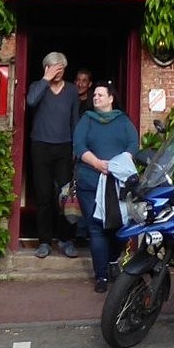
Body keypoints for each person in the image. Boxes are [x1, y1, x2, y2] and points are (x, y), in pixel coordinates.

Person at [72, 82, 139, 292]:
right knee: (96, 227)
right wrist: (97, 164)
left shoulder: (123, 120)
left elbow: (133, 144)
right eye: (95, 96)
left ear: (111, 98)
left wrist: (118, 164)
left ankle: (112, 262)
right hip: (90, 179)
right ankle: (101, 276)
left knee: (121, 225)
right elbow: (79, 145)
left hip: (117, 181)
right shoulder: (87, 120)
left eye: (101, 95)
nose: (96, 98)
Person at [25, 51, 79, 258]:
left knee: (66, 196)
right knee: (43, 195)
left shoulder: (72, 90)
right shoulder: (37, 87)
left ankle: (66, 240)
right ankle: (44, 241)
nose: (58, 72)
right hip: (40, 146)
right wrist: (45, 80)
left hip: (64, 147)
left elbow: (75, 119)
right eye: (54, 67)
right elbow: (30, 102)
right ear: (46, 68)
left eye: (61, 68)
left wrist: (76, 147)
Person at [70, 68, 95, 247]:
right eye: (78, 80)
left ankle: (82, 230)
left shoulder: (93, 104)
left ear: (90, 84)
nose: (80, 83)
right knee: (67, 191)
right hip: (67, 148)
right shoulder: (69, 99)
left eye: (84, 80)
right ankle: (67, 230)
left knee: (84, 191)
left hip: (87, 153)